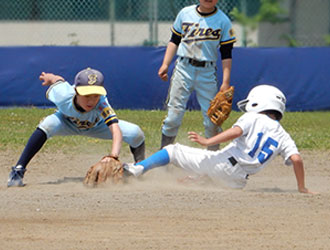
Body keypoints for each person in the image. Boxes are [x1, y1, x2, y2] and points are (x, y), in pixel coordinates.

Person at [124, 85, 315, 194]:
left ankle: (136, 169)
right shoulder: (283, 135)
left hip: (223, 164)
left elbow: (237, 131)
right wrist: (301, 187)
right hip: (238, 181)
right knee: (210, 174)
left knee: (173, 151)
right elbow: (297, 160)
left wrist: (208, 141)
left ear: (258, 102)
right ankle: (199, 180)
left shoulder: (253, 117)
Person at [8, 67, 145, 187]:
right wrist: (50, 78)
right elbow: (58, 81)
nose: (91, 100)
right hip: (66, 123)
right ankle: (19, 169)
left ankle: (141, 167)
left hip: (97, 126)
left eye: (95, 95)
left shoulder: (102, 103)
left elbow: (115, 129)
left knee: (136, 133)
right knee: (48, 124)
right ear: (76, 91)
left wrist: (113, 156)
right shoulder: (63, 95)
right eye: (86, 95)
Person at [158, 0, 236, 150]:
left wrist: (226, 81)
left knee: (212, 120)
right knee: (173, 117)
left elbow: (226, 53)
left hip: (207, 72)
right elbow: (174, 40)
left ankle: (212, 159)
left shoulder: (222, 20)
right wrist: (165, 64)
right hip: (183, 68)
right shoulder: (185, 14)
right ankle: (164, 157)